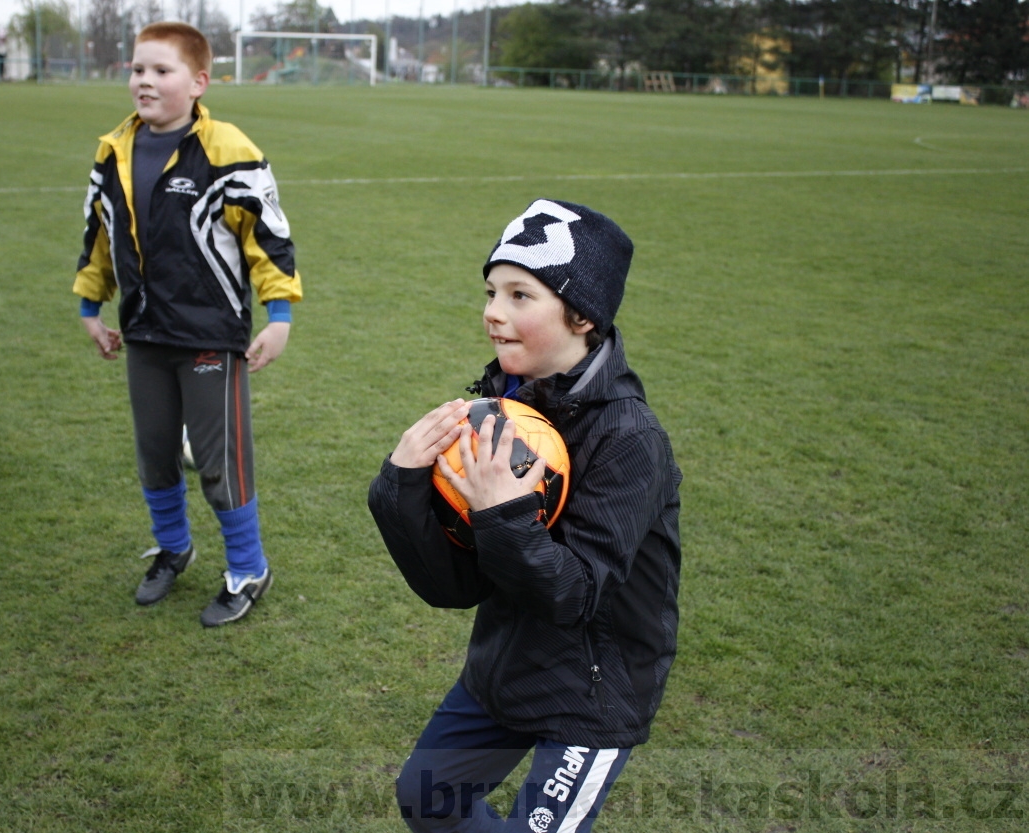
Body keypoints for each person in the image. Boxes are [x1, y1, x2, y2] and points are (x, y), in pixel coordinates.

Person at [368, 199, 681, 831]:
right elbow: (454, 587)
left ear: (582, 316)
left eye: (519, 294)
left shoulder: (629, 439)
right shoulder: (500, 409)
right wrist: (398, 487)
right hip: (510, 665)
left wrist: (505, 516)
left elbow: (575, 595)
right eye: (491, 290)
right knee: (426, 798)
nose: (492, 312)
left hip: (591, 690)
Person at [74, 21, 301, 627]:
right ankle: (173, 547)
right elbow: (99, 234)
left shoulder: (229, 149)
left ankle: (249, 566)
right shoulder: (112, 147)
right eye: (137, 69)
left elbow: (270, 238)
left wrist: (278, 315)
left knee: (220, 459)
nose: (144, 81)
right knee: (154, 453)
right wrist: (90, 306)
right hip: (144, 331)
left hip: (209, 334)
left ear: (199, 82)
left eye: (161, 71)